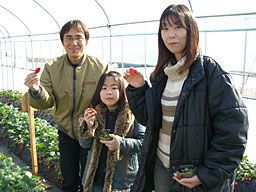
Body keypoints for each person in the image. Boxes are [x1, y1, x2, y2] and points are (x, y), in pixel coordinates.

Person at [124, 4, 249, 192]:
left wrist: (206, 173)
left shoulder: (210, 72)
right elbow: (151, 121)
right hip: (161, 166)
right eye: (165, 28)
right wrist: (140, 89)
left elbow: (234, 129)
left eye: (177, 27)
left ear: (191, 30)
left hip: (191, 174)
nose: (170, 34)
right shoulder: (162, 74)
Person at [24, 20, 109, 192]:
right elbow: (46, 101)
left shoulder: (100, 67)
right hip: (66, 132)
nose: (73, 43)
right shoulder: (52, 67)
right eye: (68, 38)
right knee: (69, 181)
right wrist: (36, 89)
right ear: (62, 41)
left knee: (90, 180)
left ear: (86, 40)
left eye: (78, 37)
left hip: (91, 132)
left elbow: (112, 96)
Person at [78, 71, 145, 192]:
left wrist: (120, 143)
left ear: (121, 90)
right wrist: (88, 126)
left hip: (121, 181)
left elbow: (143, 143)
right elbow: (84, 144)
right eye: (104, 88)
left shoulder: (133, 112)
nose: (109, 92)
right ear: (99, 91)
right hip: (95, 179)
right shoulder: (95, 112)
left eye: (114, 87)